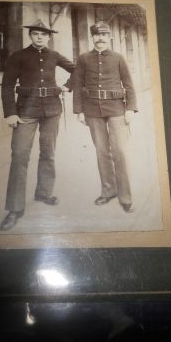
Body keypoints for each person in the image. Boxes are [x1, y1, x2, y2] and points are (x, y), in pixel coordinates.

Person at [0, 19, 75, 231]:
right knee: (20, 155)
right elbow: (6, 86)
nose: (39, 37)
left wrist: (67, 87)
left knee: (48, 152)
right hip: (25, 111)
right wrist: (10, 113)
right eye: (35, 34)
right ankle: (15, 209)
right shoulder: (18, 56)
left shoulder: (54, 56)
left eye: (43, 34)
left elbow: (77, 70)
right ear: (30, 36)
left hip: (51, 110)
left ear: (49, 37)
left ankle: (44, 193)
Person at [73, 21, 138, 212]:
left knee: (120, 152)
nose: (100, 38)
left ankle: (125, 197)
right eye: (96, 35)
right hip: (92, 110)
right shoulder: (84, 59)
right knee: (102, 152)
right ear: (92, 37)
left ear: (108, 37)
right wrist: (79, 111)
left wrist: (130, 109)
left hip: (117, 109)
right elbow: (77, 85)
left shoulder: (118, 58)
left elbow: (129, 84)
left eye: (103, 34)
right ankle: (108, 191)